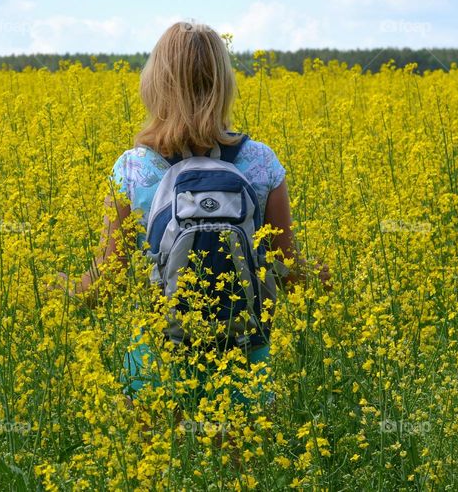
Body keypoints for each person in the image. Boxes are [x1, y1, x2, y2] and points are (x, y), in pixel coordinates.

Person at [55, 20, 330, 407]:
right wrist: (332, 282)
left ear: (155, 85)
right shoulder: (261, 163)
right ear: (224, 84)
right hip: (243, 360)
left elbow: (107, 282)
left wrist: (59, 289)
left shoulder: (131, 170)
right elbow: (289, 271)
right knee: (244, 465)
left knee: (155, 468)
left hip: (156, 358)